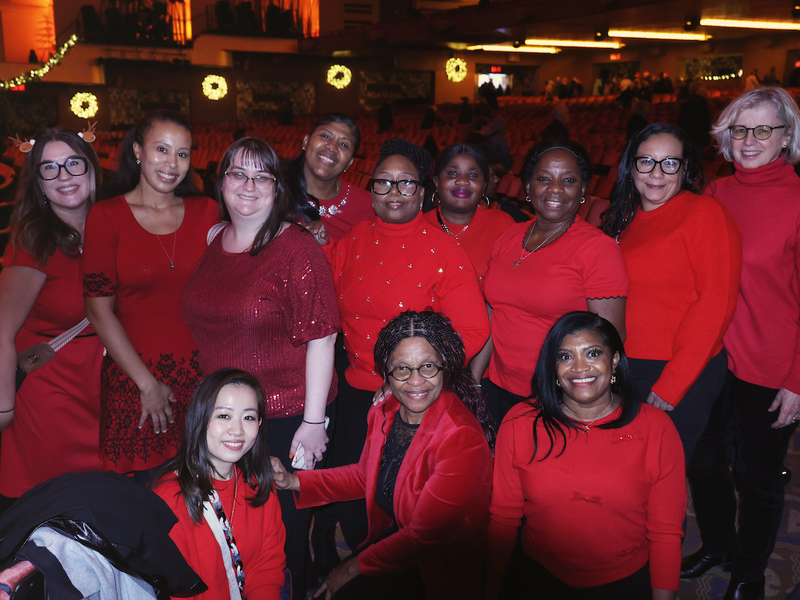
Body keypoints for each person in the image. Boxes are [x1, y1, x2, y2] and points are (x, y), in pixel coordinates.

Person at [181, 136, 339, 599]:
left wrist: (312, 423)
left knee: (280, 549)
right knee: (229, 538)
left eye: (261, 176)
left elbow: (322, 337)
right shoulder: (214, 239)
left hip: (282, 418)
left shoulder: (296, 248)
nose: (249, 185)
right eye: (237, 174)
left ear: (277, 186)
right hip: (219, 417)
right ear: (221, 182)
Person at [321, 137, 490, 553]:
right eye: (383, 183)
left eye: (405, 184)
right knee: (352, 505)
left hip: (414, 400)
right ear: (370, 189)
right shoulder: (353, 240)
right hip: (355, 393)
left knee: (404, 510)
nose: (393, 192)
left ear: (422, 192)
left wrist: (416, 379)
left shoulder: (444, 250)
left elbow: (473, 329)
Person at [271, 310, 493, 600]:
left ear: (445, 367)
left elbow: (424, 537)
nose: (416, 381)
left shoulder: (462, 437)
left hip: (439, 565)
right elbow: (364, 475)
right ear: (387, 374)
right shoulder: (384, 412)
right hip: (398, 541)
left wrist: (351, 568)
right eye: (402, 369)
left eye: (427, 367)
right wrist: (293, 481)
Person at [681, 87, 800, 600]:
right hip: (713, 355)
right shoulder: (716, 192)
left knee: (757, 476)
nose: (748, 140)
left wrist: (798, 381)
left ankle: (750, 571)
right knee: (703, 462)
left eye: (762, 130)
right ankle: (719, 544)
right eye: (738, 130)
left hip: (772, 363)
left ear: (786, 137)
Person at [486, 311, 686, 600]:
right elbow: (504, 517)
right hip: (538, 574)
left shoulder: (656, 429)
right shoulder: (521, 422)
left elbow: (666, 533)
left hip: (624, 580)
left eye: (592, 353)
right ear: (553, 367)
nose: (580, 368)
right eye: (565, 357)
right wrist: (491, 588)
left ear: (614, 360)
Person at [81, 110, 219, 473]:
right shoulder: (106, 216)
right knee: (141, 496)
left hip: (202, 377)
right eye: (162, 149)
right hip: (136, 379)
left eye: (183, 153)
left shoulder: (207, 212)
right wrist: (147, 385)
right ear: (138, 151)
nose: (172, 163)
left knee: (200, 491)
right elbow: (98, 310)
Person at [601, 123, 742, 463]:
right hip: (626, 366)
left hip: (678, 370)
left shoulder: (704, 213)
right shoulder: (625, 219)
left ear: (686, 168)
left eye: (669, 163)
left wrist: (672, 383)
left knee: (659, 479)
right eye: (646, 161)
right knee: (626, 475)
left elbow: (715, 303)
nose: (656, 173)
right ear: (630, 166)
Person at [476, 139, 628, 425]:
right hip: (498, 387)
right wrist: (474, 380)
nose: (555, 189)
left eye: (568, 180)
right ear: (528, 186)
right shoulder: (508, 236)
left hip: (558, 396)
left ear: (583, 190)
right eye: (544, 179)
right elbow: (493, 314)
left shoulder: (598, 249)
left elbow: (610, 337)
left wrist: (573, 397)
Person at [0, 127, 104, 507]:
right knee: (56, 523)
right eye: (50, 169)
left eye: (73, 164)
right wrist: (4, 409)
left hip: (105, 399)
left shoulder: (115, 227)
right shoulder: (34, 242)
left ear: (92, 170)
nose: (64, 176)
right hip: (52, 406)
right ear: (39, 184)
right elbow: (1, 332)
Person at [151, 368, 286, 600]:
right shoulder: (170, 499)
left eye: (249, 417)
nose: (237, 430)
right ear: (201, 419)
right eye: (224, 416)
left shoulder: (260, 485)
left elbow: (267, 568)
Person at [423, 143, 514, 281]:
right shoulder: (418, 228)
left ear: (483, 185)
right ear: (436, 182)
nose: (463, 181)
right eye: (453, 173)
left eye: (473, 175)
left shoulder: (503, 226)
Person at [284, 113, 373, 244]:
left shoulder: (368, 207)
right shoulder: (273, 192)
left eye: (343, 144)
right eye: (325, 136)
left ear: (349, 163)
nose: (332, 146)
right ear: (306, 142)